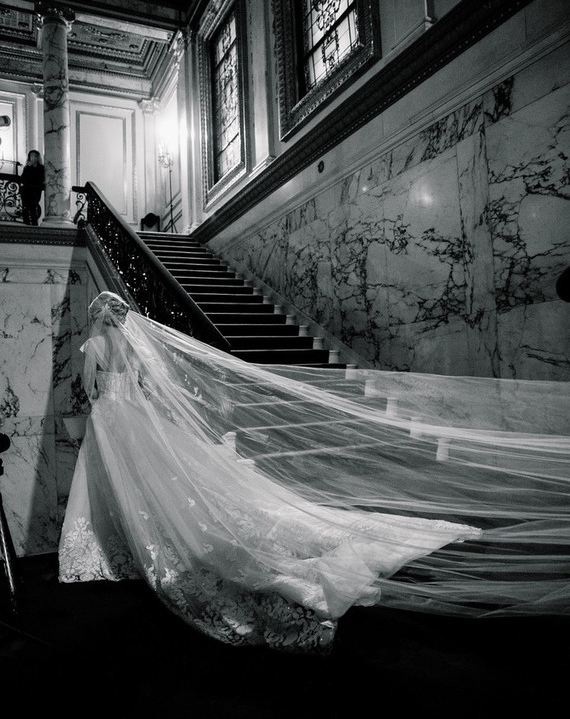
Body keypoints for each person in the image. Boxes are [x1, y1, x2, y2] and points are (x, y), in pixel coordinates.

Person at [59, 292, 570, 652]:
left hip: (112, 420)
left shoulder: (96, 347)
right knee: (154, 486)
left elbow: (90, 391)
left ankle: (112, 550)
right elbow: (145, 387)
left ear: (96, 318)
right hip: (138, 418)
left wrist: (108, 406)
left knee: (119, 488)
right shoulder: (130, 346)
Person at [20, 150, 45, 225]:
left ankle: (34, 223)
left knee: (33, 207)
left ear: (37, 157)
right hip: (27, 190)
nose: (32, 158)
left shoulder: (41, 168)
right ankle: (26, 222)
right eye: (31, 156)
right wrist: (28, 167)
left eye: (34, 156)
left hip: (36, 190)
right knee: (25, 207)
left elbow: (41, 179)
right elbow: (23, 179)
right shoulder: (27, 167)